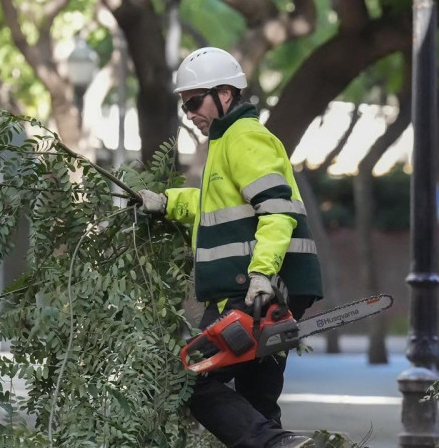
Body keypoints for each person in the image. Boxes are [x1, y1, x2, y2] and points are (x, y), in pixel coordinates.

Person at [136, 47, 323, 448]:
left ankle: (274, 445)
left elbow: (276, 211)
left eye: (194, 101)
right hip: (261, 286)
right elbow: (213, 208)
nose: (189, 112)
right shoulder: (225, 143)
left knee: (191, 379)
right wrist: (166, 201)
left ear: (224, 94)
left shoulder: (245, 138)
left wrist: (261, 275)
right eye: (183, 104)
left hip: (259, 289)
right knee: (257, 403)